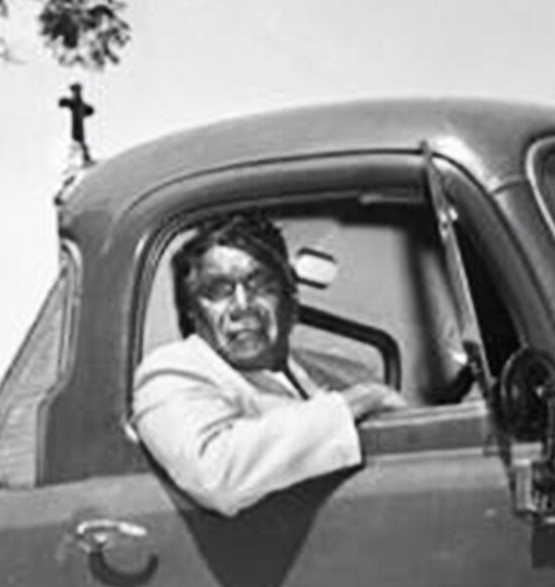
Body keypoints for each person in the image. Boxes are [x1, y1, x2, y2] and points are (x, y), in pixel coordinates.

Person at [131, 210, 404, 516]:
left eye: (260, 285)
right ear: (193, 312)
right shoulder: (171, 374)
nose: (242, 306)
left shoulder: (346, 374)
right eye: (218, 291)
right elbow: (215, 475)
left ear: (292, 300)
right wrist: (356, 404)